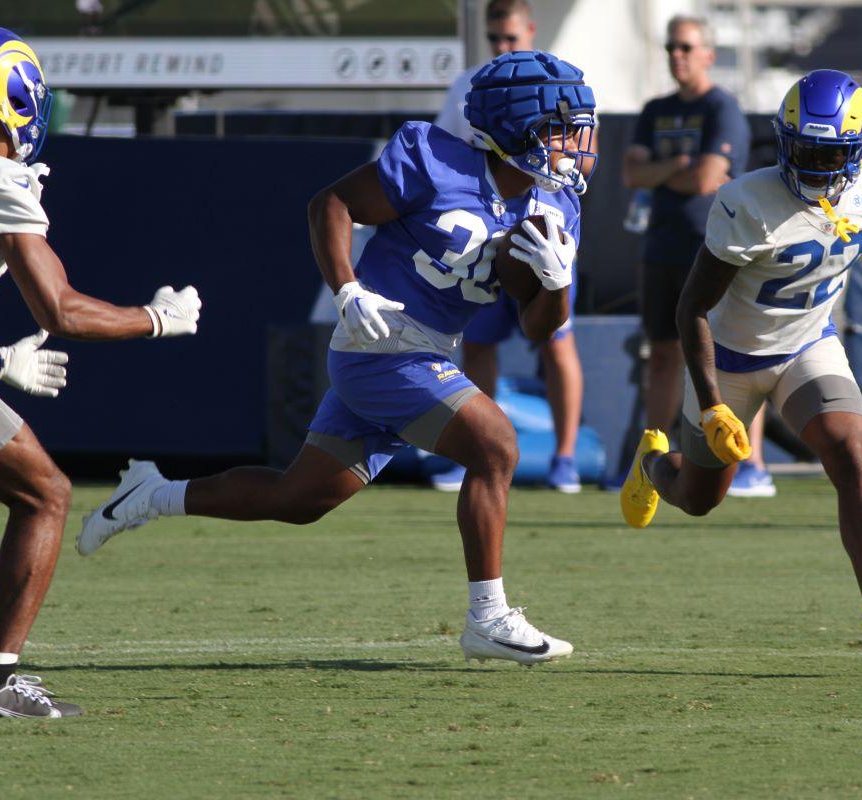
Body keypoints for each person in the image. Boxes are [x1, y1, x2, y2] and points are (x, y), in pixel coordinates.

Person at [78, 51, 597, 667]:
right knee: (496, 444)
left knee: (297, 500)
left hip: (430, 355)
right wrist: (346, 287)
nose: (574, 144)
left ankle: (150, 494)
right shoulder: (437, 160)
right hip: (379, 344)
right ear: (513, 126)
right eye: (560, 128)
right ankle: (487, 618)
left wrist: (557, 282)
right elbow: (330, 205)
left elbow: (541, 327)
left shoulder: (556, 208)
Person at [0, 26, 202, 718]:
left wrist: (0, 360)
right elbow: (63, 310)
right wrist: (155, 320)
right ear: (18, 98)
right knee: (45, 494)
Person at [619, 70, 862, 663]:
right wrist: (713, 403)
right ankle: (654, 464)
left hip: (805, 346)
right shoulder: (747, 203)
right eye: (805, 149)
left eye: (829, 152)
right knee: (699, 497)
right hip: (729, 359)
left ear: (858, 150)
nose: (815, 165)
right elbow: (691, 309)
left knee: (849, 452)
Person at [434, 0, 587, 493]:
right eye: (495, 38)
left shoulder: (560, 82)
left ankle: (565, 459)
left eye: (511, 38)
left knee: (557, 340)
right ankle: (472, 449)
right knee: (477, 343)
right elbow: (446, 154)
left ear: (531, 32)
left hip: (542, 222)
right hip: (483, 228)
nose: (502, 47)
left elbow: (584, 158)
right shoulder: (470, 84)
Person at [622, 15, 771, 498]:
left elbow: (707, 179)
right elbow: (631, 173)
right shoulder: (654, 109)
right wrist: (678, 166)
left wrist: (663, 171)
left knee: (734, 356)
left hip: (715, 250)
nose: (677, 56)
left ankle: (751, 463)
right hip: (661, 248)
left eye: (686, 47)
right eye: (670, 48)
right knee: (662, 356)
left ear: (708, 53)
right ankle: (650, 459)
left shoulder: (721, 108)